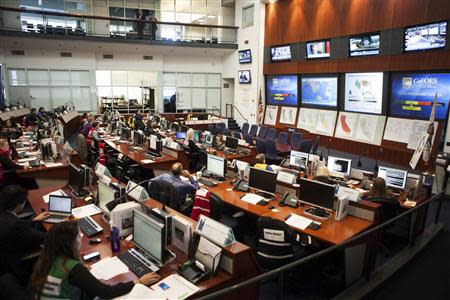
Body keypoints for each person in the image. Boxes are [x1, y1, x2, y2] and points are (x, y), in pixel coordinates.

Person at [29, 221, 160, 300]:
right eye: (79, 237)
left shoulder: (48, 256)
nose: (81, 239)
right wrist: (138, 281)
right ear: (70, 243)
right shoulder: (74, 268)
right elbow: (105, 292)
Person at [0, 185, 49, 284]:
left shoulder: (4, 214)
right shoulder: (17, 226)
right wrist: (63, 226)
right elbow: (45, 237)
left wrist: (33, 220)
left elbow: (12, 224)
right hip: (13, 262)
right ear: (19, 205)